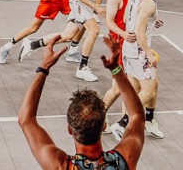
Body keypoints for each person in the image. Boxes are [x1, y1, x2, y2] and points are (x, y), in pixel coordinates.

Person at [17, 39, 148, 170]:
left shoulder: (61, 166)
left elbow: (26, 119)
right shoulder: (125, 158)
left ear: (70, 129)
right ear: (103, 126)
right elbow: (137, 116)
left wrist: (44, 67)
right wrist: (116, 69)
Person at [102, 0, 167, 140]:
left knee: (146, 86)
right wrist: (149, 54)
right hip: (139, 50)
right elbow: (139, 31)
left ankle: (149, 121)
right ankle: (122, 123)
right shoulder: (149, 2)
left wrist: (152, 22)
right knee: (148, 91)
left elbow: (125, 20)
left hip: (128, 50)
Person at [52, 0, 122, 82]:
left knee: (68, 35)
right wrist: (97, 7)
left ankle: (33, 44)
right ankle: (82, 68)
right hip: (78, 0)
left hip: (89, 3)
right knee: (94, 30)